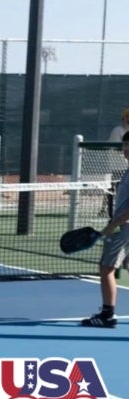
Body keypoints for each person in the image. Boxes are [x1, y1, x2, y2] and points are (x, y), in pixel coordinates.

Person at [83, 130, 129, 328]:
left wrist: (113, 225)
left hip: (123, 229)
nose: (125, 149)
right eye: (125, 145)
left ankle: (107, 315)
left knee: (106, 268)